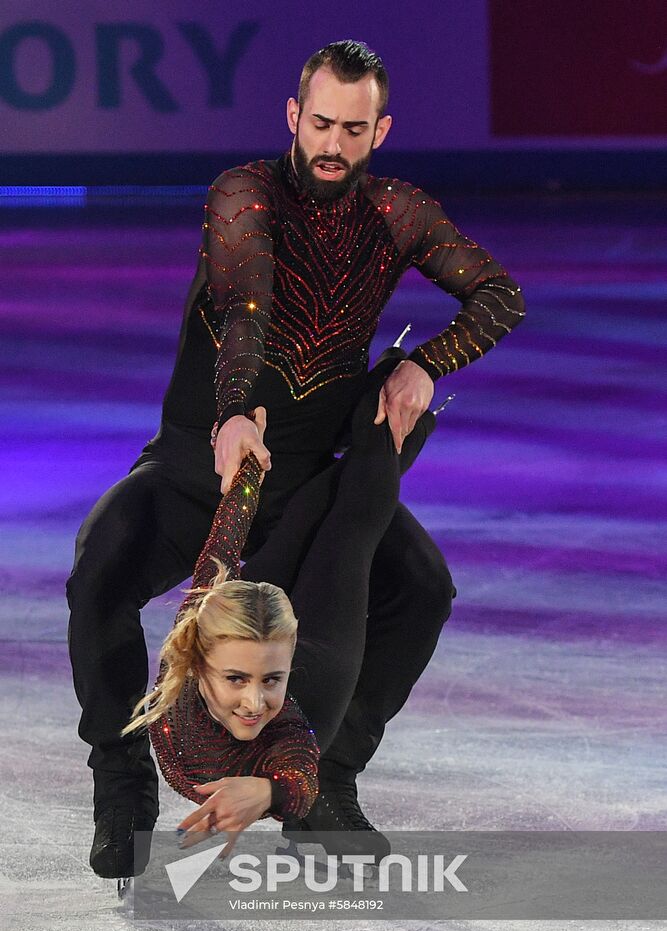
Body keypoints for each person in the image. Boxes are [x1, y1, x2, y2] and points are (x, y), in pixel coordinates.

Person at [67, 39, 525, 878]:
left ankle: (326, 782)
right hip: (199, 462)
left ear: (380, 129)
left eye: (353, 129)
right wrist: (233, 411)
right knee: (101, 565)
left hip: (310, 478)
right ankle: (122, 785)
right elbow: (245, 308)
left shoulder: (396, 212)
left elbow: (500, 295)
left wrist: (427, 364)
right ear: (292, 115)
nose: (332, 145)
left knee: (421, 589)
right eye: (320, 123)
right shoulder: (243, 194)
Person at [99, 355, 435, 876]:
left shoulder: (286, 716)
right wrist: (273, 790)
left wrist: (251, 464)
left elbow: (227, 532)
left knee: (334, 520)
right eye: (236, 679)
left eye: (270, 681)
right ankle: (393, 406)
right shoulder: (195, 658)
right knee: (345, 523)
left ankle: (390, 404)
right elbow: (299, 778)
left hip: (313, 667)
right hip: (317, 669)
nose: (256, 704)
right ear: (196, 661)